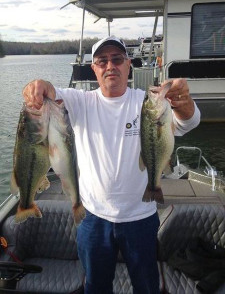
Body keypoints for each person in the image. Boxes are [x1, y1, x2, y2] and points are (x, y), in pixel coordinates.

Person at [23, 35, 200, 294]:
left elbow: (188, 123)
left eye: (117, 59)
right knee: (95, 286)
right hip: (93, 217)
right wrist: (39, 85)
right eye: (102, 61)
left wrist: (184, 103)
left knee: (146, 286)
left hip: (141, 217)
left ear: (128, 65)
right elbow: (51, 92)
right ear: (93, 68)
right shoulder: (80, 101)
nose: (110, 66)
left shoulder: (146, 101)